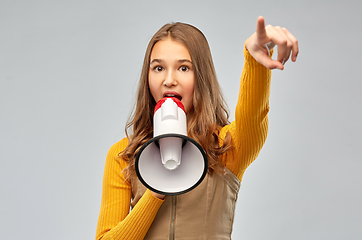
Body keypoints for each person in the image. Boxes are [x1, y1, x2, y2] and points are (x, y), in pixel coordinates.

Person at [95, 16, 299, 239]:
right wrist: (155, 190)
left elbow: (253, 117)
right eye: (158, 68)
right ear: (148, 77)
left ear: (201, 76)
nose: (169, 80)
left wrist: (255, 60)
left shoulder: (225, 148)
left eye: (183, 68)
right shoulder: (123, 155)